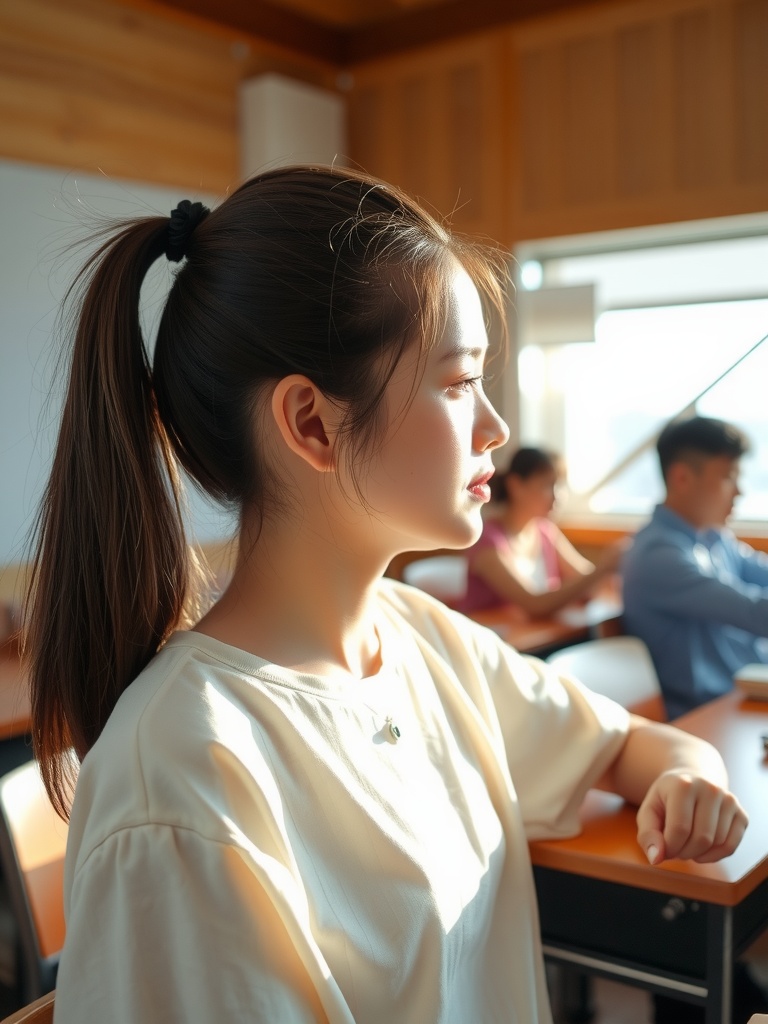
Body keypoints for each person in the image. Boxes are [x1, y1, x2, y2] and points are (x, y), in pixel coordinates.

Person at [24, 167, 748, 1024]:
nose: (496, 427)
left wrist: (690, 774)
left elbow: (633, 745)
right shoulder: (184, 779)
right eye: (456, 383)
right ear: (310, 424)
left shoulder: (419, 638)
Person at [622, 415, 768, 720]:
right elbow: (755, 613)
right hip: (707, 715)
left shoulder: (714, 537)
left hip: (743, 698)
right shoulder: (659, 554)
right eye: (729, 476)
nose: (739, 491)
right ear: (682, 478)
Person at [455, 445, 625, 615]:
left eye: (560, 485)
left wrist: (605, 572)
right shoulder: (487, 540)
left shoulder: (545, 531)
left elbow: (587, 581)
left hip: (540, 638)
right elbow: (534, 604)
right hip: (492, 639)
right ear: (515, 486)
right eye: (547, 485)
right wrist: (603, 569)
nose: (557, 496)